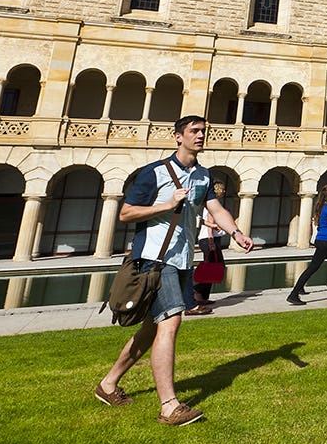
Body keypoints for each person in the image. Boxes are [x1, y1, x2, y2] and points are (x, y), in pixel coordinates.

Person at [95, 115, 254, 426]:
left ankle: (108, 384)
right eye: (194, 131)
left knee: (153, 328)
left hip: (182, 258)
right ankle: (169, 406)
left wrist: (236, 233)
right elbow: (126, 213)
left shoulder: (203, 176)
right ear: (178, 137)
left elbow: (216, 209)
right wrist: (165, 206)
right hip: (154, 258)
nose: (200, 136)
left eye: (203, 131)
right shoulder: (153, 173)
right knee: (171, 321)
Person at [186, 182, 230, 316]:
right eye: (222, 189)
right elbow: (210, 223)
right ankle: (197, 291)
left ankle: (202, 296)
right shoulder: (212, 204)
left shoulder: (212, 203)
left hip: (211, 239)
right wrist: (211, 240)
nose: (223, 191)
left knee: (213, 267)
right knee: (214, 266)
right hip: (209, 239)